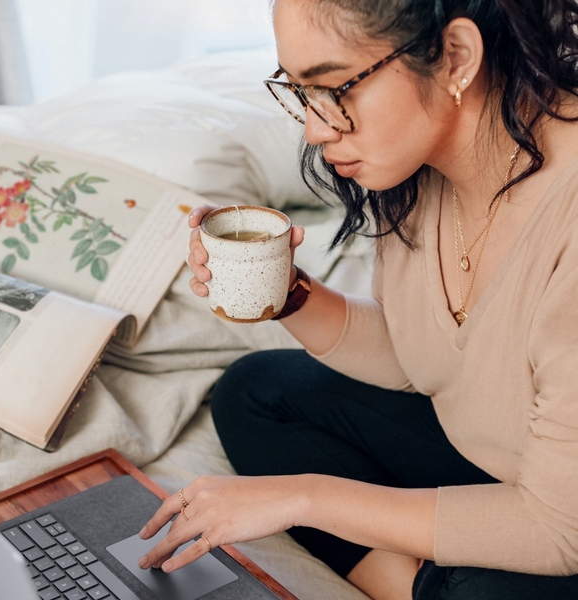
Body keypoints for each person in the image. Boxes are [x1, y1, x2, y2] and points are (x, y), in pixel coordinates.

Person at [137, 1, 578, 598]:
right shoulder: (419, 168)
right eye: (300, 93)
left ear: (456, 58)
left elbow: (558, 529)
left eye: (333, 87)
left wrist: (303, 497)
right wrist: (283, 292)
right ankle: (417, 580)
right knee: (256, 391)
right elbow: (422, 361)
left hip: (561, 515)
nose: (316, 129)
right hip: (507, 455)